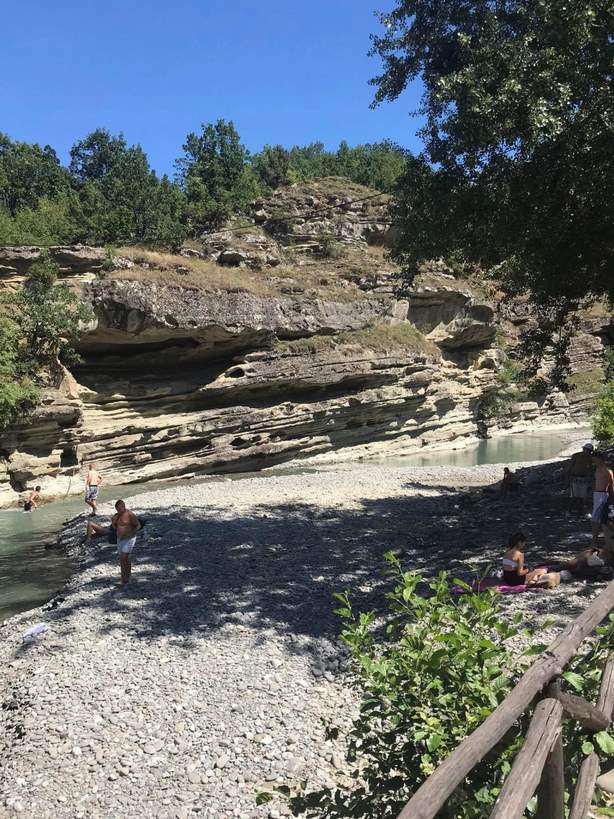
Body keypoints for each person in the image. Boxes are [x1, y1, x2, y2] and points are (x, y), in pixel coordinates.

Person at [114, 500, 141, 586]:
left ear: (123, 507)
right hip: (120, 539)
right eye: (117, 510)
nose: (118, 511)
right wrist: (113, 521)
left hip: (129, 538)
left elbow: (138, 525)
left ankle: (127, 577)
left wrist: (132, 532)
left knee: (124, 557)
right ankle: (123, 578)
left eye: (119, 509)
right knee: (122, 559)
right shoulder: (117, 515)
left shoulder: (130, 514)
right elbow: (115, 527)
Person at [591, 451, 614, 545]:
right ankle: (596, 539)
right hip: (597, 494)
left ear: (600, 459)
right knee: (601, 518)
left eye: (595, 459)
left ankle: (594, 541)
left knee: (596, 519)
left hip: (602, 495)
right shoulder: (597, 469)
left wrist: (612, 498)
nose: (593, 461)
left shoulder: (607, 471)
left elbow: (612, 485)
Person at [568, 443, 594, 509]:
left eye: (589, 450)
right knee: (574, 495)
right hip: (575, 477)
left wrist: (591, 479)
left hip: (584, 478)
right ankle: (573, 508)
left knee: (583, 495)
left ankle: (582, 508)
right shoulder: (576, 456)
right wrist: (569, 475)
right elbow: (570, 466)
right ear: (583, 449)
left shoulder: (590, 458)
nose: (588, 451)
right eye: (586, 449)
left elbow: (591, 469)